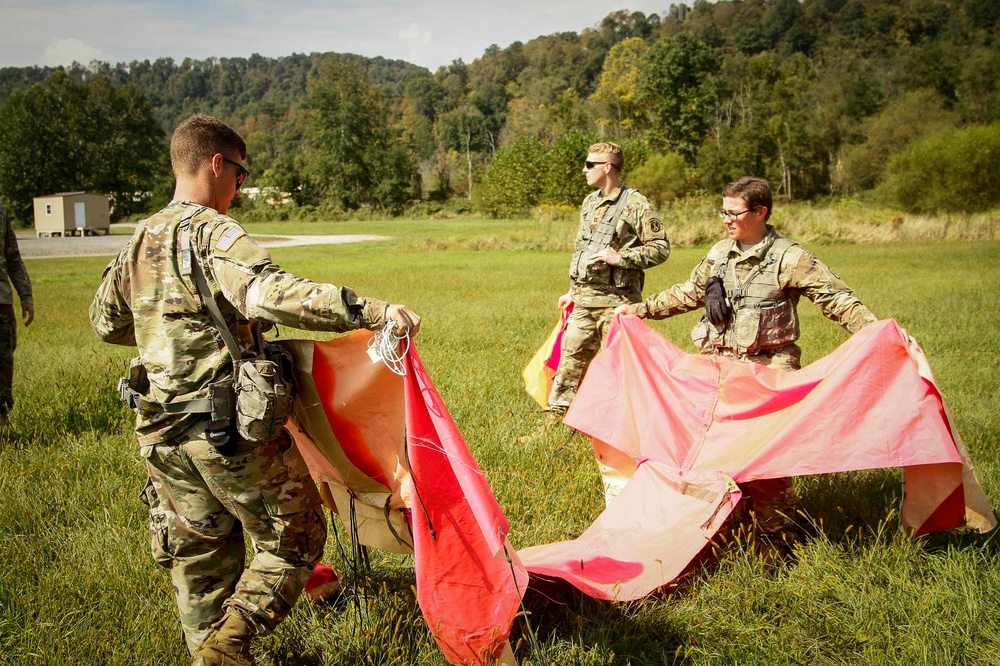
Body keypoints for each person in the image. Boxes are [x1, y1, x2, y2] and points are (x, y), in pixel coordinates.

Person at [89, 114, 421, 666]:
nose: (240, 188)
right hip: (224, 430)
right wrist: (370, 310)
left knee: (200, 558)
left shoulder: (139, 239)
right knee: (296, 540)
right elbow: (269, 293)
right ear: (216, 164)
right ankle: (226, 651)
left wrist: (170, 332)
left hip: (161, 432)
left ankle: (209, 653)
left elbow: (107, 322)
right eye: (240, 175)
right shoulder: (213, 231)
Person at [617, 176, 878, 551]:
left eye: (734, 212)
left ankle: (776, 539)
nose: (726, 219)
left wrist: (875, 331)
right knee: (711, 453)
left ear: (760, 212)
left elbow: (836, 300)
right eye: (722, 211)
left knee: (766, 461)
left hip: (769, 372)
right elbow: (690, 292)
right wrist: (639, 309)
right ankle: (719, 526)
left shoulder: (790, 258)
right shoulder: (720, 253)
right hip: (719, 370)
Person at [530, 142, 669, 437]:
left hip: (617, 302)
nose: (584, 169)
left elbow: (661, 248)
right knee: (570, 362)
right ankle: (553, 424)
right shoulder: (589, 202)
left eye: (590, 164)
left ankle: (624, 431)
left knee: (619, 368)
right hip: (584, 299)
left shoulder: (636, 204)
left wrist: (621, 258)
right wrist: (573, 289)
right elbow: (583, 249)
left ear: (608, 167)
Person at [0, 198, 34, 418]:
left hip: (1, 303)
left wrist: (26, 295)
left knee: (3, 361)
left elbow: (13, 257)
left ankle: (2, 415)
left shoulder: (1, 213)